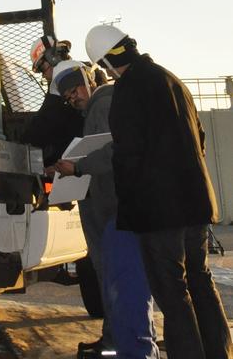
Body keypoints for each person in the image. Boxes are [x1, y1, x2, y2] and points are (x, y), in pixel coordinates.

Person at [85, 24, 233, 359]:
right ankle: (219, 352)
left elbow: (127, 154)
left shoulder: (127, 90)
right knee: (200, 281)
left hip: (159, 212)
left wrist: (127, 208)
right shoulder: (172, 80)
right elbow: (200, 139)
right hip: (196, 204)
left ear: (106, 64)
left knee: (173, 291)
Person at [51, 59, 157, 359]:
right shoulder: (103, 104)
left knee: (122, 285)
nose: (74, 99)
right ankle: (118, 343)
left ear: (88, 79)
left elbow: (114, 151)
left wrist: (78, 167)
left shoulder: (104, 103)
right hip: (114, 210)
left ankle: (130, 347)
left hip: (116, 212)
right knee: (120, 285)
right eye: (69, 97)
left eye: (74, 91)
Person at [21, 33, 85, 166]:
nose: (44, 76)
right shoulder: (90, 74)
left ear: (52, 57)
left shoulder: (56, 94)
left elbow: (39, 131)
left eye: (42, 69)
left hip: (75, 164)